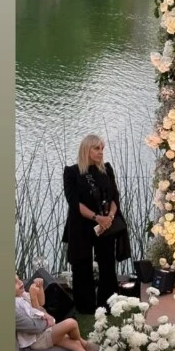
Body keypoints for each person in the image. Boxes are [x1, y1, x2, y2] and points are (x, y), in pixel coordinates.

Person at [62, 134, 131, 314]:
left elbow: (115, 197)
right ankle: (85, 307)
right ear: (87, 150)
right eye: (96, 148)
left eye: (102, 148)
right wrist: (96, 217)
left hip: (105, 225)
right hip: (81, 225)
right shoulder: (71, 172)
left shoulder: (106, 170)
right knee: (81, 265)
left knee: (107, 263)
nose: (101, 152)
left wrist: (110, 217)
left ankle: (107, 304)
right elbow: (74, 203)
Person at [15, 274, 117, 351]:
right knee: (71, 323)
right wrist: (35, 300)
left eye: (19, 279)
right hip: (38, 339)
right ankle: (84, 343)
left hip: (44, 332)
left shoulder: (22, 296)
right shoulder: (16, 304)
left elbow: (42, 303)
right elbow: (36, 317)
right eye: (14, 283)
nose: (20, 282)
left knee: (74, 345)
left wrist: (39, 289)